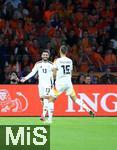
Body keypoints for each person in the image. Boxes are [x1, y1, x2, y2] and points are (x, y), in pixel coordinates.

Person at [47, 45, 95, 123]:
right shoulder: (70, 61)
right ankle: (88, 109)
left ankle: (49, 120)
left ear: (60, 51)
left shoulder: (57, 60)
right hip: (68, 83)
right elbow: (71, 72)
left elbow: (54, 73)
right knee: (75, 99)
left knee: (51, 100)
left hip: (60, 83)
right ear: (66, 52)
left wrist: (52, 78)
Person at [20, 49, 53, 121]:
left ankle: (43, 115)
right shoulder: (38, 64)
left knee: (46, 99)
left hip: (48, 84)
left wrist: (53, 84)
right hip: (40, 85)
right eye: (44, 55)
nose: (45, 56)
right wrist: (25, 78)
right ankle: (47, 114)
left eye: (46, 55)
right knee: (42, 101)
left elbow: (54, 75)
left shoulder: (51, 64)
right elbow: (32, 72)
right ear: (41, 55)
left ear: (48, 56)